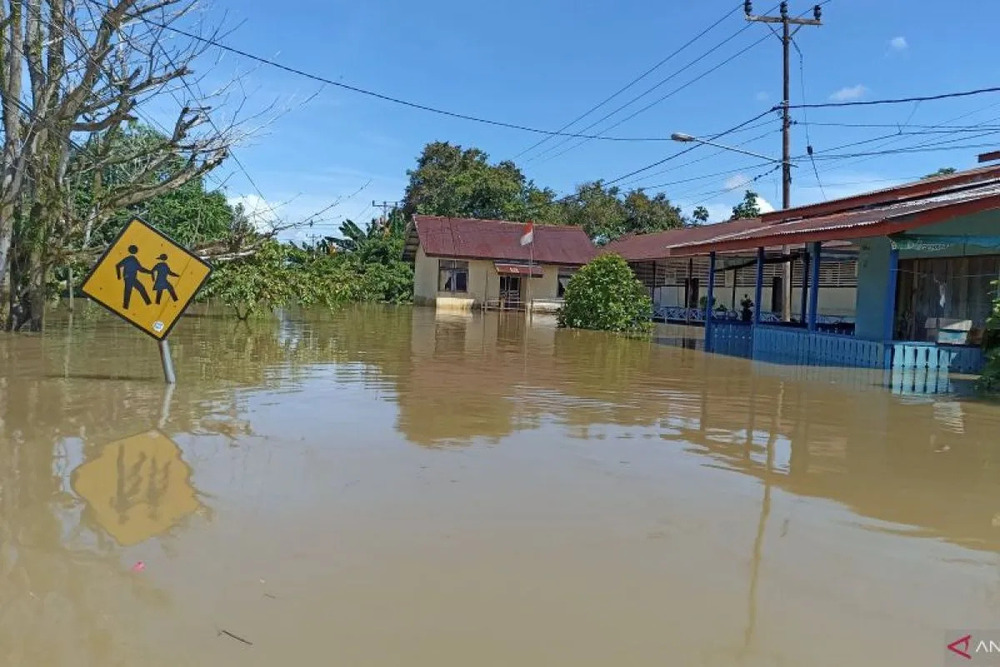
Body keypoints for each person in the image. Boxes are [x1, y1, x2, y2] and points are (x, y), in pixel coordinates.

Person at [115, 245, 151, 309]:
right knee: (139, 289)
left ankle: (125, 307)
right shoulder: (131, 259)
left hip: (129, 278)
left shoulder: (131, 258)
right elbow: (140, 269)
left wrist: (149, 272)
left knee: (129, 291)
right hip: (130, 278)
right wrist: (118, 276)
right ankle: (148, 303)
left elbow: (118, 266)